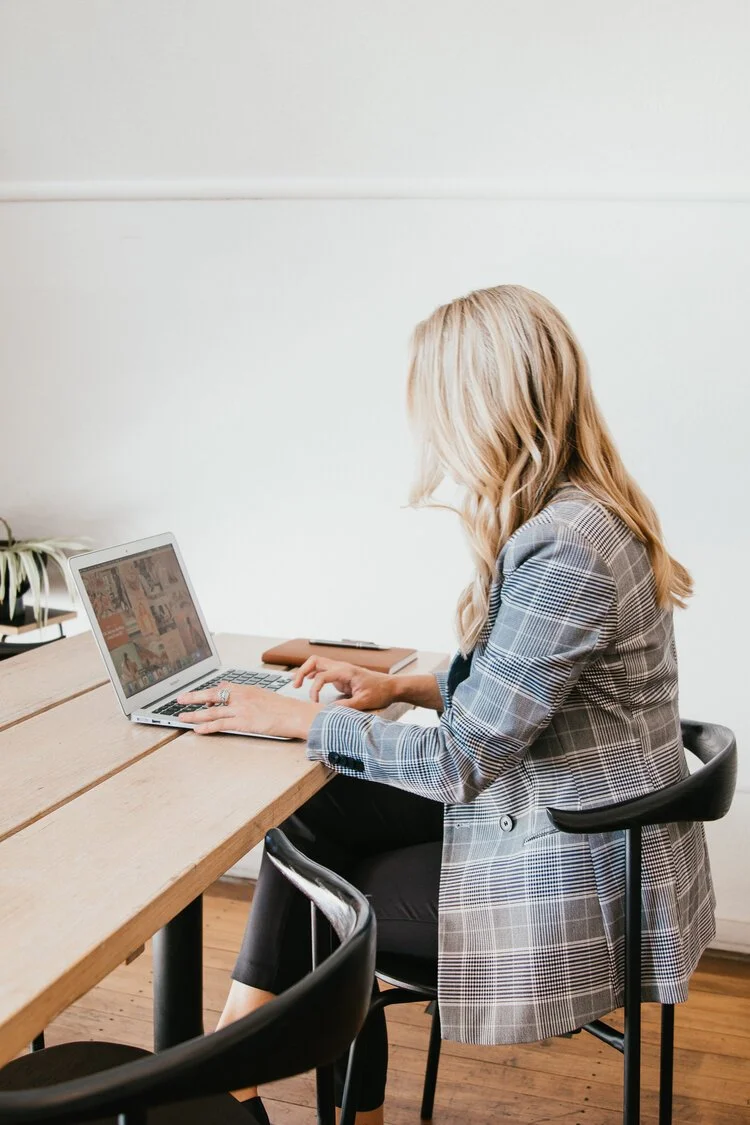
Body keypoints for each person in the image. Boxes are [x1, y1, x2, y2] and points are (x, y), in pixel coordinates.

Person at [177, 285, 714, 1125]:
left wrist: (301, 719)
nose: (427, 429)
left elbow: (462, 760)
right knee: (314, 822)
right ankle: (232, 1078)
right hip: (581, 821)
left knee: (326, 888)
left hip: (577, 867)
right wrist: (397, 687)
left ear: (480, 405)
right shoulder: (577, 510)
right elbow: (528, 692)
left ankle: (235, 1083)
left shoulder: (564, 545)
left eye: (433, 404)